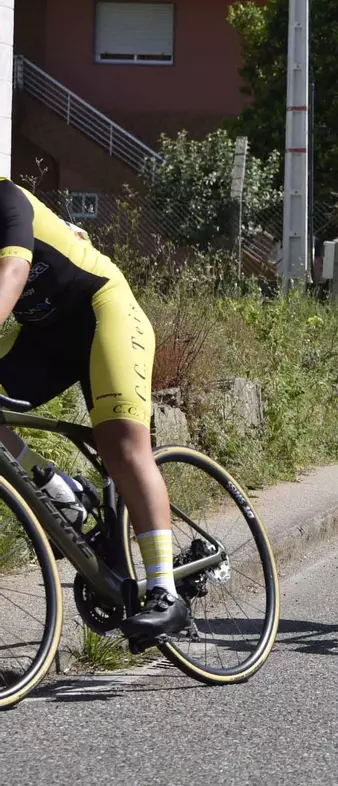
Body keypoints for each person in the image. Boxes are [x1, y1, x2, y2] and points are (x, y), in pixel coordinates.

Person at [0, 179, 188, 636]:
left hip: (104, 311)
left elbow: (14, 271)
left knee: (120, 446)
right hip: (45, 340)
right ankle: (60, 489)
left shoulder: (6, 199)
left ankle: (165, 592)